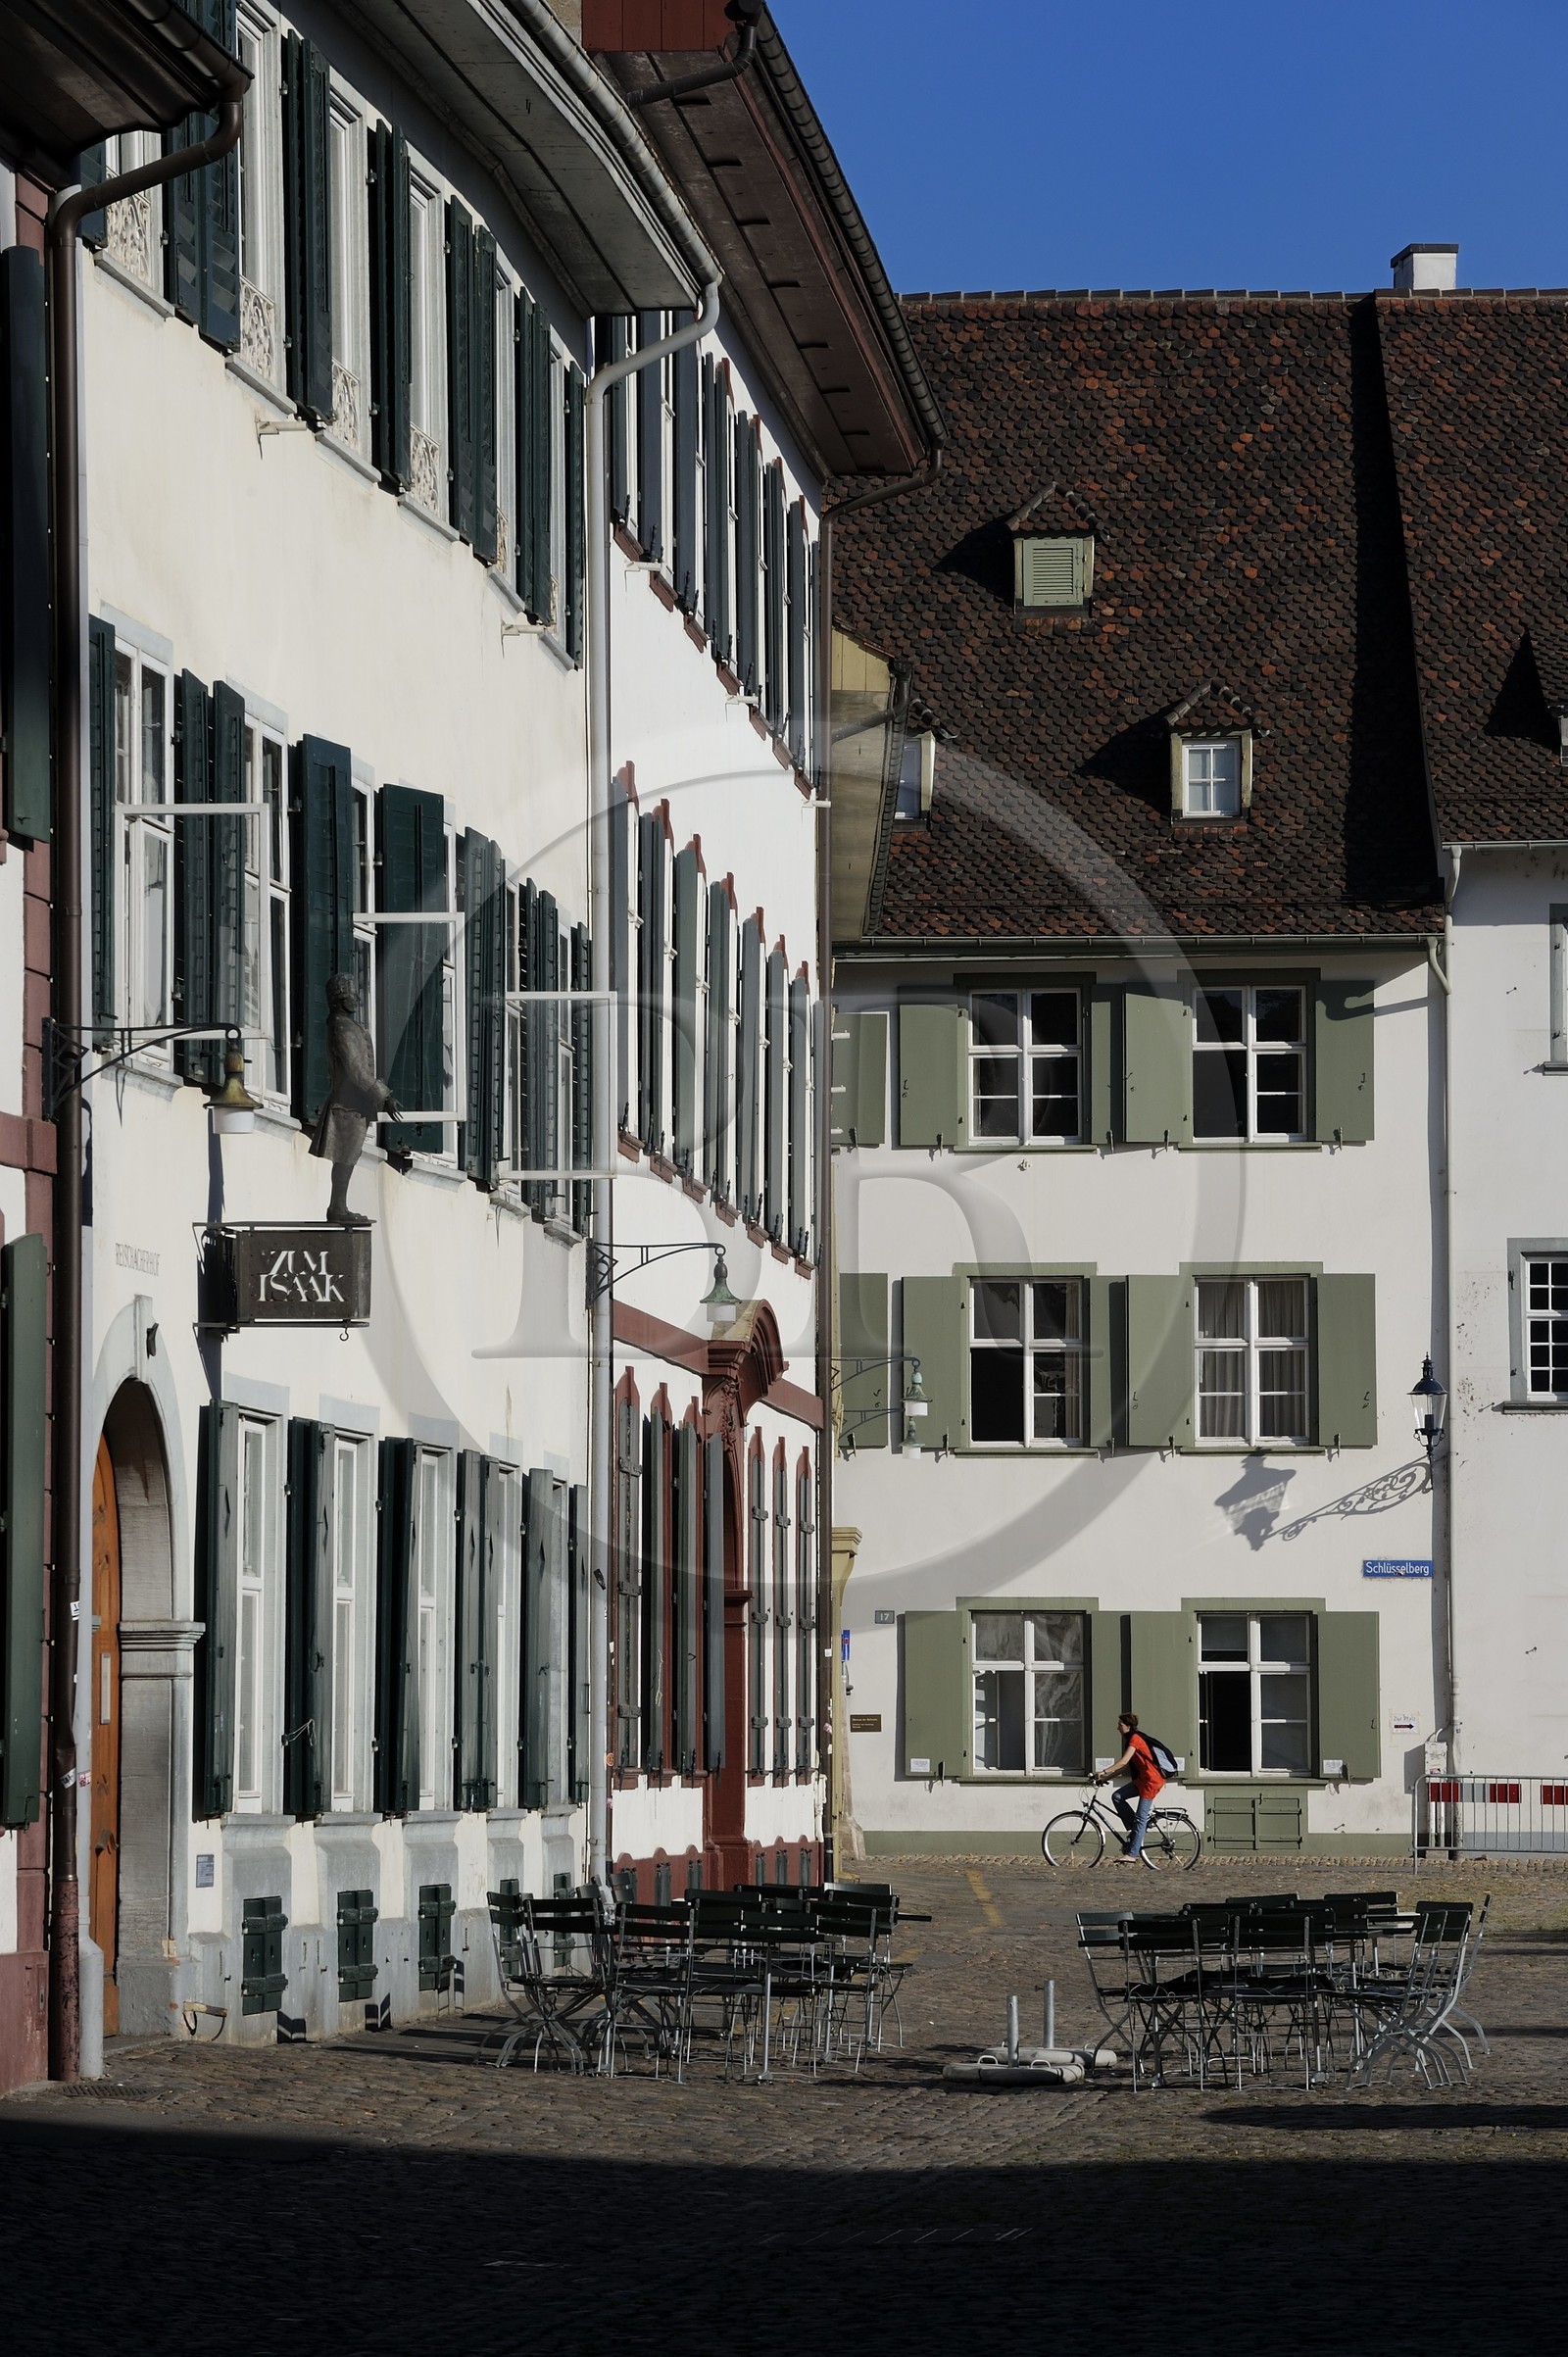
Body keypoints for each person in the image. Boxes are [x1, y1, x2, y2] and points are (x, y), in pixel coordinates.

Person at [309, 973, 400, 1225]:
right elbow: (355, 1070)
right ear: (340, 998)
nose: (357, 998)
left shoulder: (347, 1025)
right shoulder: (341, 1027)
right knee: (345, 1157)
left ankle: (339, 1206)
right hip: (347, 1107)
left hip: (354, 1106)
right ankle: (337, 1207)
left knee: (348, 1156)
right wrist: (384, 1095)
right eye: (352, 993)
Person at [1094, 1712, 1163, 1865]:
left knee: (1140, 1818)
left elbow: (1123, 1761)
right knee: (1117, 1796)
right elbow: (1123, 1767)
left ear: (1128, 1726)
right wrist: (1105, 1779)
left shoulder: (1135, 1739)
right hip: (1142, 1780)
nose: (1117, 1727)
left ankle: (1132, 1854)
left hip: (1151, 1781)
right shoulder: (1131, 1739)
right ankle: (1137, 1830)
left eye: (1120, 1725)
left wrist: (1103, 1771)